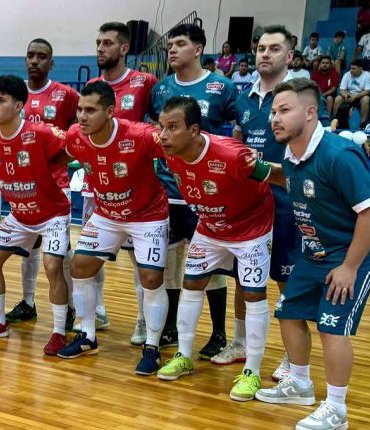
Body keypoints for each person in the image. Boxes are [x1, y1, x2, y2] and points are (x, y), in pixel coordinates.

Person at [255, 78, 370, 430]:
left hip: (357, 252)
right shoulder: (291, 153)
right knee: (289, 311)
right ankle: (299, 383)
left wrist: (350, 267)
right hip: (316, 251)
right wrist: (256, 170)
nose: (275, 118)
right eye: (273, 111)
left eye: (284, 110)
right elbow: (291, 180)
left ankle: (336, 410)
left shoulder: (337, 154)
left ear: (311, 112)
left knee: (331, 327)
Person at [156, 96, 278, 404]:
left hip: (252, 229)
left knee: (253, 293)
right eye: (161, 127)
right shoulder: (168, 153)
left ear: (194, 130)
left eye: (172, 127)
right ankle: (184, 355)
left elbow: (279, 176)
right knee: (192, 283)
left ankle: (252, 371)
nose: (164, 135)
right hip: (210, 227)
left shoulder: (233, 155)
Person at [58, 81, 170, 378]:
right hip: (107, 214)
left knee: (150, 277)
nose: (82, 116)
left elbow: (179, 145)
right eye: (80, 109)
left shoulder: (141, 135)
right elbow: (58, 154)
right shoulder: (75, 136)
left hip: (147, 214)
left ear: (110, 111)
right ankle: (87, 336)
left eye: (90, 110)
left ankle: (152, 346)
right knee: (79, 266)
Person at [0, 75, 72, 356]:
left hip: (53, 214)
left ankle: (59, 332)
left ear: (19, 105)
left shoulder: (41, 133)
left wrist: (53, 166)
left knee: (51, 266)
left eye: (1, 101)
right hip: (19, 215)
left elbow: (73, 149)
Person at [149, 22, 236, 358]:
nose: (172, 49)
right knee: (171, 263)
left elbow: (237, 128)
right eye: (170, 44)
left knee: (212, 266)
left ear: (198, 49)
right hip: (169, 190)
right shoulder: (161, 89)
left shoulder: (221, 86)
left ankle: (218, 333)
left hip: (209, 194)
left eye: (180, 43)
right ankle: (169, 327)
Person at [232, 24, 304, 382]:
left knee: (286, 281)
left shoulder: (299, 97)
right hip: (249, 202)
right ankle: (240, 342)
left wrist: (264, 169)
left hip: (287, 202)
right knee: (244, 276)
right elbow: (238, 142)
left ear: (289, 56)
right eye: (261, 48)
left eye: (274, 49)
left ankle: (294, 358)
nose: (265, 54)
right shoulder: (243, 97)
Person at [78, 21, 159, 336]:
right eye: (98, 42)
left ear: (124, 48)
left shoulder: (145, 82)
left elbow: (158, 126)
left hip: (135, 189)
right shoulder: (91, 88)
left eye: (108, 43)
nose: (101, 48)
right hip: (96, 186)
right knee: (89, 253)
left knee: (141, 261)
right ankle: (97, 311)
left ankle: (143, 319)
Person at [6, 38, 79, 328]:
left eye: (42, 56)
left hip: (56, 183)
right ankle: (28, 301)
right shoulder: (13, 96)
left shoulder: (66, 95)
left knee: (59, 250)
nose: (35, 61)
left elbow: (80, 129)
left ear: (52, 63)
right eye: (30, 56)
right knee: (30, 247)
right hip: (23, 184)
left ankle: (71, 308)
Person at [334, 60, 370, 126]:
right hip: (348, 96)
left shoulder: (367, 75)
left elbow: (367, 91)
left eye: (353, 68)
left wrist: (355, 96)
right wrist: (346, 96)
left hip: (360, 96)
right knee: (338, 99)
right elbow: (342, 89)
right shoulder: (347, 74)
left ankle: (363, 122)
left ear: (360, 68)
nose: (351, 70)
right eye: (350, 68)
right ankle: (335, 120)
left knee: (366, 99)